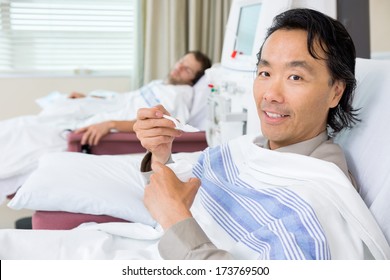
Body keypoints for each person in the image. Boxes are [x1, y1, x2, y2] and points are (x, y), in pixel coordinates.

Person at [133, 8, 388, 259]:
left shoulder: (318, 199)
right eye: (265, 73)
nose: (270, 95)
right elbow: (171, 203)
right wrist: (160, 155)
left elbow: (174, 215)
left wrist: (177, 222)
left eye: (295, 77)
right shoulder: (248, 150)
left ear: (335, 92)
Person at [0, 51, 212, 199]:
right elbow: (128, 101)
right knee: (25, 124)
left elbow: (163, 125)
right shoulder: (161, 84)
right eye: (181, 62)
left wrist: (111, 124)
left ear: (194, 79)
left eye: (187, 69)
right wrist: (91, 99)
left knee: (24, 132)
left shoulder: (180, 94)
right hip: (100, 112)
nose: (179, 68)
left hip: (100, 128)